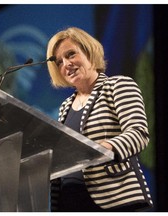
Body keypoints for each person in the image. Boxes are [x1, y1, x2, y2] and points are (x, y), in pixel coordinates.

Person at [46, 27, 153, 212]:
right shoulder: (64, 107)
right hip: (70, 202)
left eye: (71, 54)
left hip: (114, 200)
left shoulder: (117, 85)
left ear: (88, 51)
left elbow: (138, 134)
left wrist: (102, 148)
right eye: (59, 62)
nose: (66, 64)